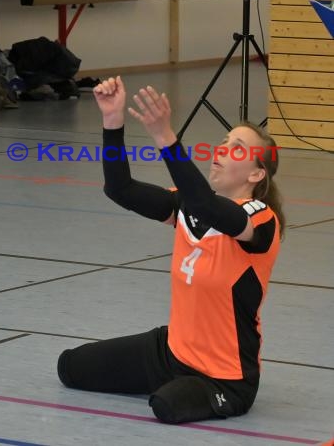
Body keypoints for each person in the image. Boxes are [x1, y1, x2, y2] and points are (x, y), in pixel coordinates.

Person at [57, 75, 285, 424]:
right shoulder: (188, 206)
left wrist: (165, 136)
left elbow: (209, 208)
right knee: (70, 367)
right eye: (223, 142)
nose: (222, 150)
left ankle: (197, 390)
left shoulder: (261, 221)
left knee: (166, 405)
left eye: (237, 147)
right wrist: (112, 121)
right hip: (170, 352)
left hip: (226, 377)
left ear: (256, 174)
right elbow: (120, 189)